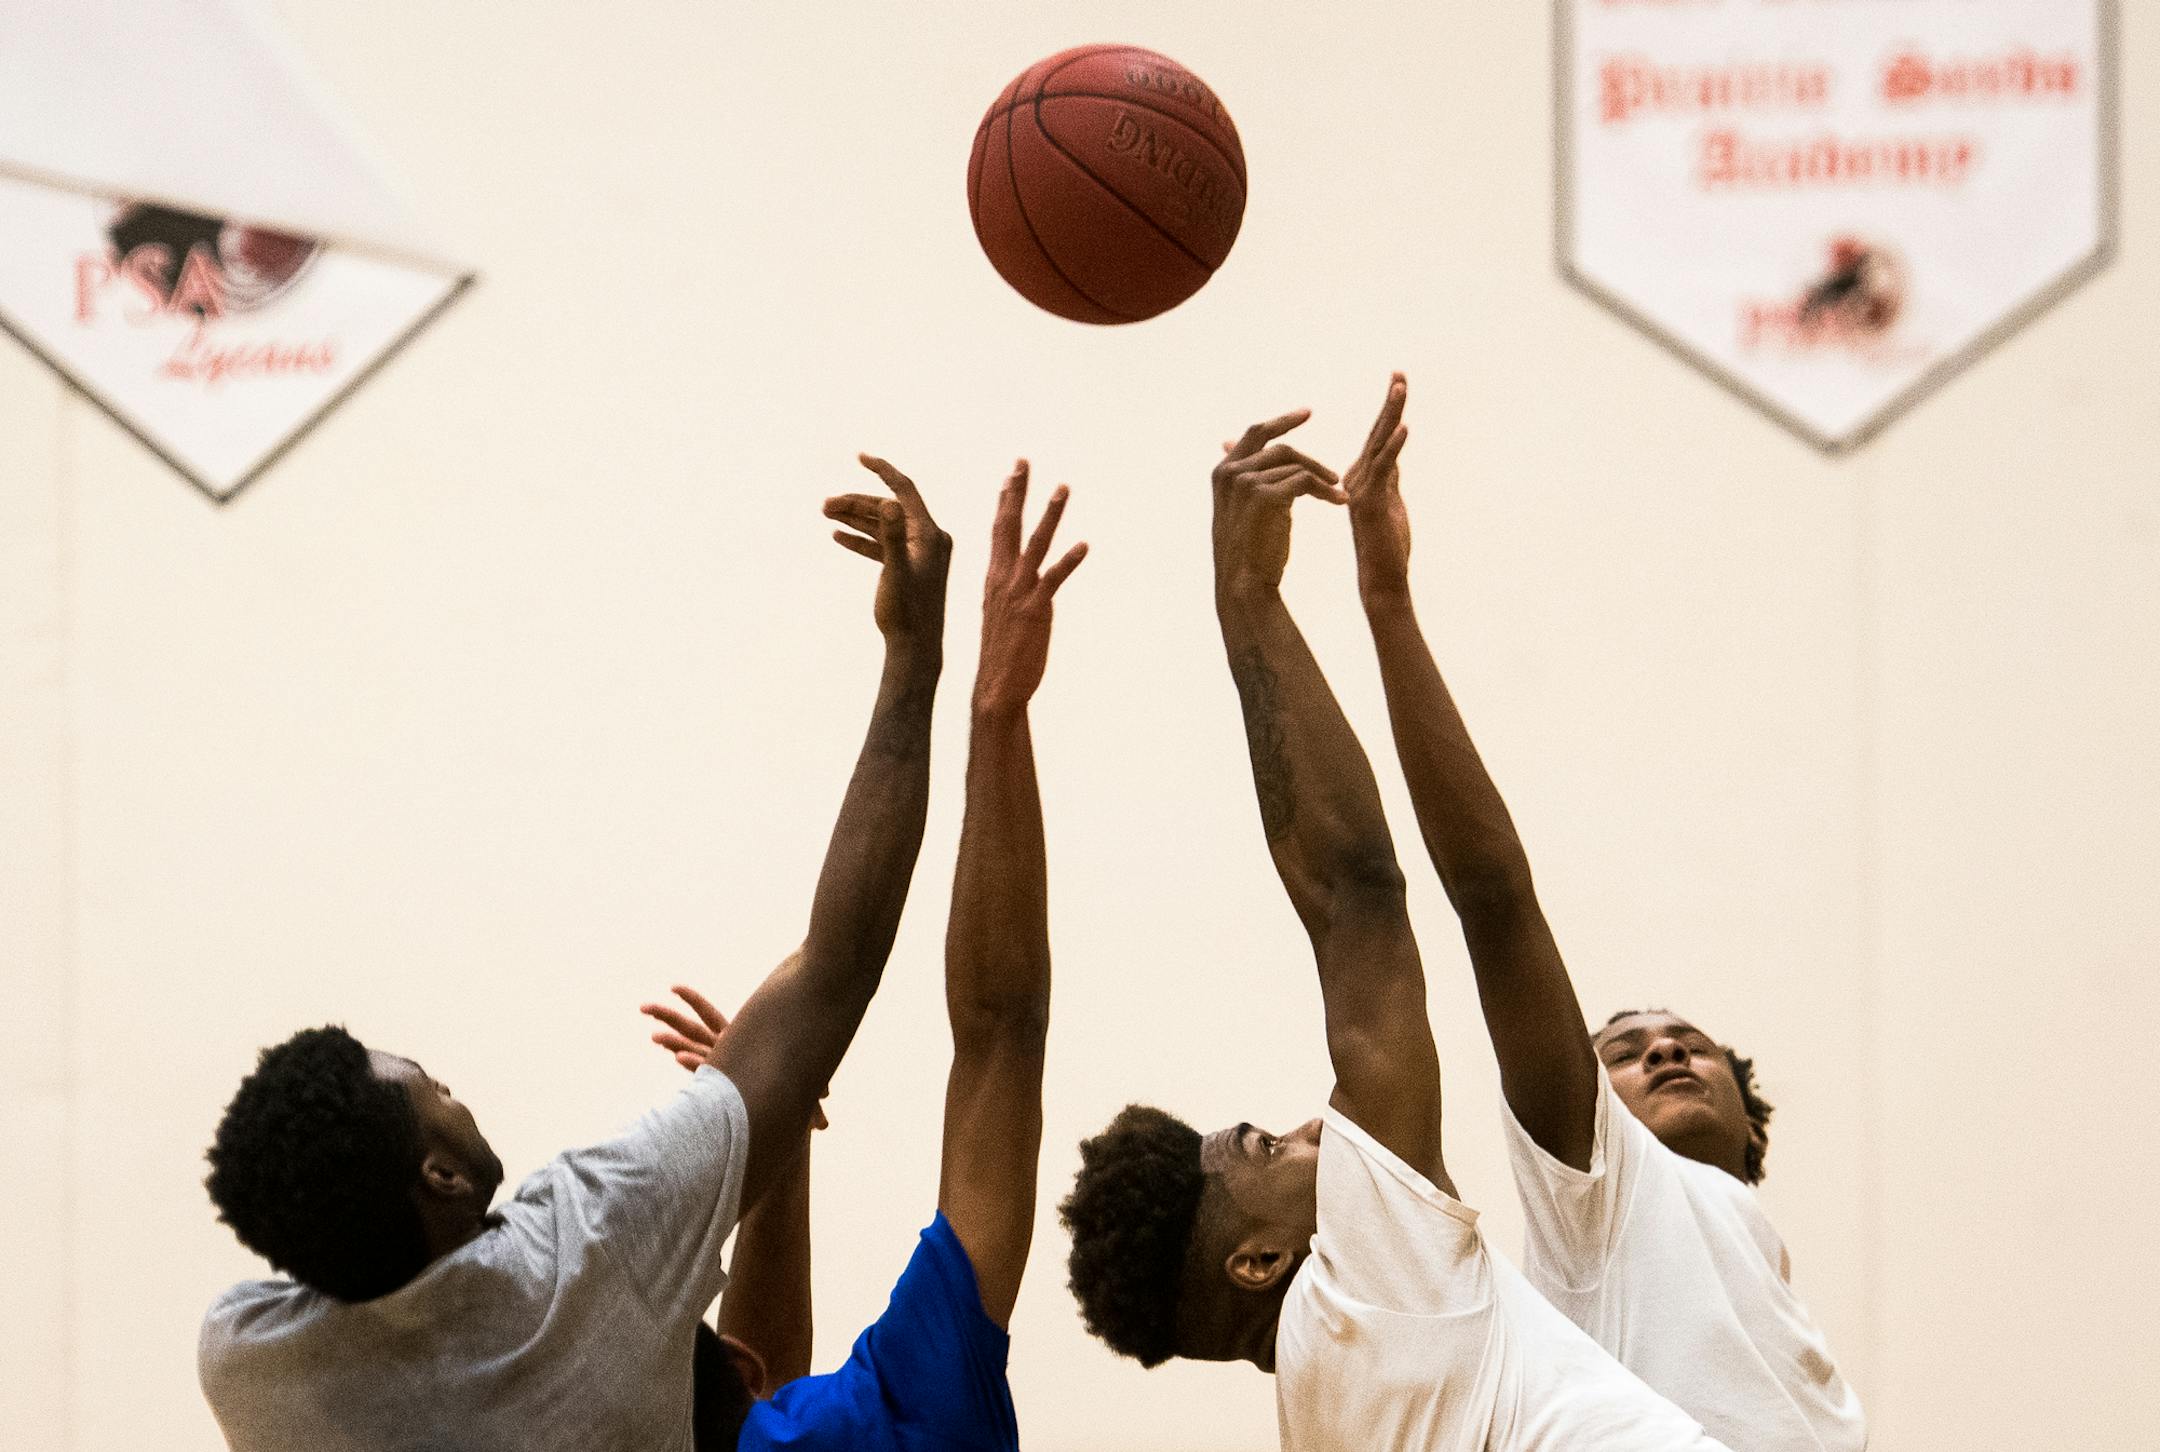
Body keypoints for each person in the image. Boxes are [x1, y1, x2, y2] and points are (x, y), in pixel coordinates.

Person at [196, 456, 952, 1452]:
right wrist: (913, 657)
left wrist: (760, 1130)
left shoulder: (249, 1363)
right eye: (432, 1087)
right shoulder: (589, 1253)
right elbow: (835, 966)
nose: (451, 1084)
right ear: (442, 1176)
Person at [1060, 406, 1729, 1449]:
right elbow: (1357, 894)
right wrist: (1248, 598)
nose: (1309, 1127)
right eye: (1261, 1146)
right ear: (1257, 1262)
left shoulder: (1335, 1414)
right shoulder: (1361, 1293)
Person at [1341, 373, 1867, 1450]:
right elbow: (1493, 899)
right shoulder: (1602, 1191)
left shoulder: (1754, 1265)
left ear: (1751, 1114)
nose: (1666, 1052)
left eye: (1685, 1044)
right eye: (1625, 1053)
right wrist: (1389, 606)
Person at [644, 461, 1086, 1451]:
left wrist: (779, 1122)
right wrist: (994, 712)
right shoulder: (914, 1421)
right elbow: (1001, 1032)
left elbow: (767, 1386)